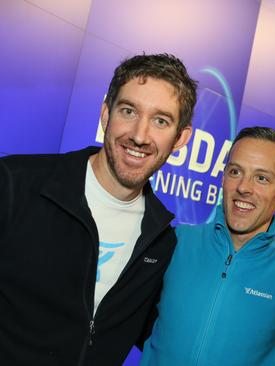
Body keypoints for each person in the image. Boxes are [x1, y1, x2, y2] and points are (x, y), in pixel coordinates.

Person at [0, 53, 195, 365]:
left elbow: (167, 337)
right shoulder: (15, 183)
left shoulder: (161, 241)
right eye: (129, 111)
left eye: (161, 121)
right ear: (106, 113)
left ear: (180, 138)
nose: (140, 135)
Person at [140, 126, 275, 366]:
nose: (244, 187)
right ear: (223, 178)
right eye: (235, 171)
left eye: (262, 178)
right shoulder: (176, 242)